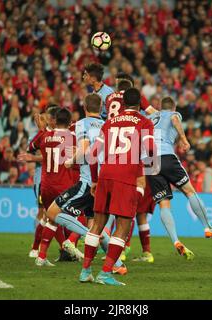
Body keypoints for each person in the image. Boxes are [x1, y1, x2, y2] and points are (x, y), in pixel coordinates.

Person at [79, 88, 155, 286]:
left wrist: (95, 180)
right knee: (123, 225)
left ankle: (85, 271)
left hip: (106, 175)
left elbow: (92, 154)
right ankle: (105, 273)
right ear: (139, 104)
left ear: (122, 104)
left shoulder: (109, 122)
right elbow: (151, 151)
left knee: (97, 224)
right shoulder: (145, 122)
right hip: (126, 177)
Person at [43, 93, 126, 274]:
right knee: (95, 224)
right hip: (105, 180)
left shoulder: (82, 124)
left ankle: (90, 238)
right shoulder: (108, 125)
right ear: (102, 107)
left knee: (52, 212)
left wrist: (71, 160)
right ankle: (118, 265)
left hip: (88, 181)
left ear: (85, 107)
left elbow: (85, 149)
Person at [147, 96, 212, 254]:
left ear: (160, 106)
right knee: (189, 191)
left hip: (149, 161)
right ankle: (208, 228)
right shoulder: (173, 114)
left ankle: (175, 241)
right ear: (173, 106)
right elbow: (174, 119)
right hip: (166, 155)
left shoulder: (150, 117)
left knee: (164, 203)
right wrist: (184, 139)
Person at [18, 108, 76, 267]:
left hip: (46, 186)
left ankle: (41, 255)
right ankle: (70, 248)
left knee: (51, 219)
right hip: (63, 186)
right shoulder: (72, 137)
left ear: (55, 121)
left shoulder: (45, 135)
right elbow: (76, 158)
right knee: (79, 216)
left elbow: (30, 147)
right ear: (70, 122)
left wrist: (43, 130)